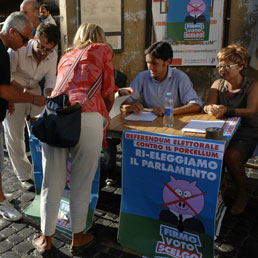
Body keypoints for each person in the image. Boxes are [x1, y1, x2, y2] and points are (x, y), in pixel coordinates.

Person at [32, 23, 115, 255]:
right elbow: (108, 91)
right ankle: (77, 237)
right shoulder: (103, 49)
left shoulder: (65, 56)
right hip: (88, 116)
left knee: (52, 181)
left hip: (58, 116)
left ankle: (46, 240)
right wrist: (104, 112)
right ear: (100, 37)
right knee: (82, 182)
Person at [0, 11, 46, 221]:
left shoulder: (3, 49)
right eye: (24, 38)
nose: (26, 42)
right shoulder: (2, 52)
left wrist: (8, 100)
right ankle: (1, 202)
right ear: (11, 31)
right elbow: (4, 89)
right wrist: (29, 99)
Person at [3, 23, 59, 191]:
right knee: (15, 135)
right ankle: (23, 175)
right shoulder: (18, 49)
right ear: (34, 38)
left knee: (40, 131)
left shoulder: (52, 54)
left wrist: (49, 94)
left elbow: (50, 79)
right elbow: (8, 75)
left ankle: (41, 169)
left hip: (35, 88)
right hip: (14, 88)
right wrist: (21, 92)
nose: (44, 53)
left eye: (48, 50)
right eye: (41, 47)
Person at [203, 44, 258, 215]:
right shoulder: (218, 84)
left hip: (246, 131)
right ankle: (218, 186)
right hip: (222, 129)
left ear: (241, 66)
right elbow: (207, 105)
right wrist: (210, 109)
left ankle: (242, 194)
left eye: (227, 66)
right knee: (206, 149)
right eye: (220, 65)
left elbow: (251, 111)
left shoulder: (252, 85)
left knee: (231, 156)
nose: (222, 69)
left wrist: (228, 110)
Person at [125, 41, 202, 116]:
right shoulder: (142, 76)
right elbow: (124, 101)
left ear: (167, 61)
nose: (150, 67)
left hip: (173, 123)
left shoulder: (180, 77)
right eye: (148, 63)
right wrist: (130, 107)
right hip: (148, 123)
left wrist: (169, 111)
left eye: (154, 63)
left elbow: (196, 105)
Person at [103, 43, 128, 186]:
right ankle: (110, 172)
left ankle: (126, 173)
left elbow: (124, 100)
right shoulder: (94, 75)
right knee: (108, 143)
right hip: (104, 116)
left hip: (117, 114)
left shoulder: (120, 76)